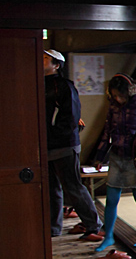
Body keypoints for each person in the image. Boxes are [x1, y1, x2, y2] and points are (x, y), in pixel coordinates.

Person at [92, 73, 136, 251]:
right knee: (111, 198)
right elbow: (107, 131)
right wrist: (99, 156)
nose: (118, 99)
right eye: (114, 95)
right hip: (116, 156)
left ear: (129, 91)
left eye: (120, 95)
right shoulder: (114, 105)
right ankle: (108, 236)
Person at [44, 49, 103, 239]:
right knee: (51, 187)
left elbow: (71, 116)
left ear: (56, 65)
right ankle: (53, 228)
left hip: (63, 143)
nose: (41, 61)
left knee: (73, 186)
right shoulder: (37, 83)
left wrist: (54, 134)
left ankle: (93, 225)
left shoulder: (64, 86)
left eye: (45, 59)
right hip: (45, 143)